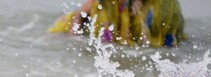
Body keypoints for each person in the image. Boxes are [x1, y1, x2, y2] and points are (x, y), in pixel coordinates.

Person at [48, 0, 186, 48]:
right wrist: (74, 41)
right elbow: (79, 16)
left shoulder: (166, 8)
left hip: (152, 25)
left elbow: (171, 44)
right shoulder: (103, 3)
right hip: (105, 23)